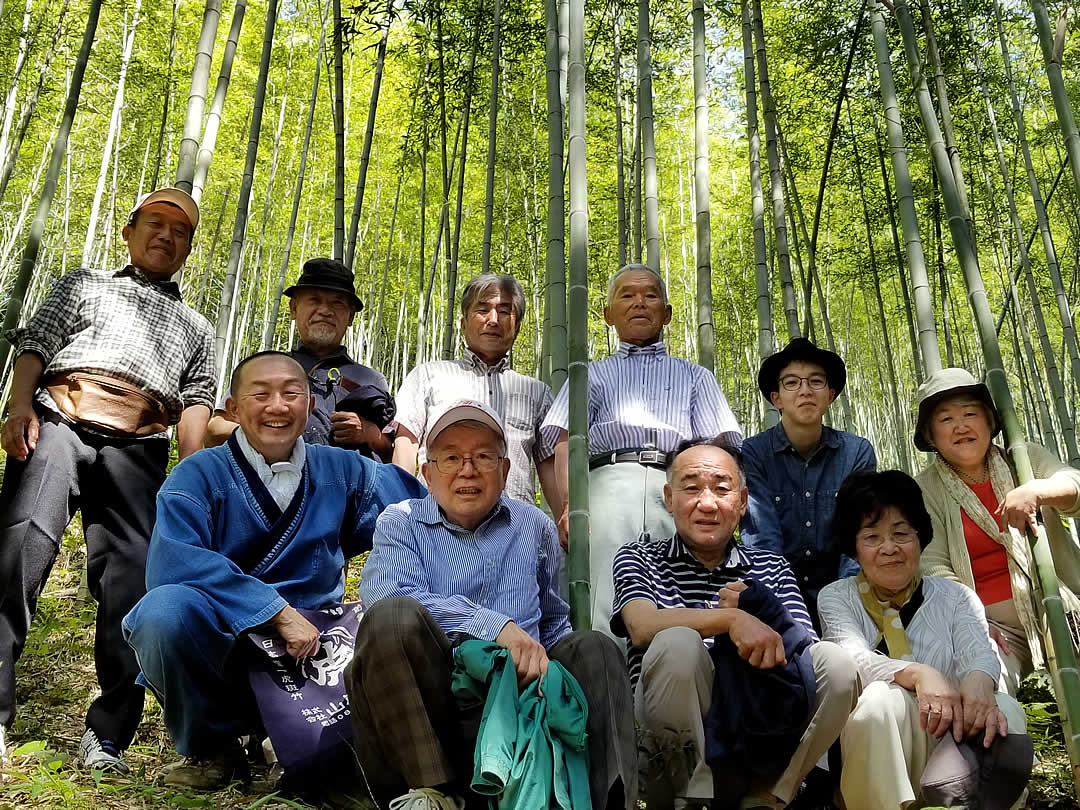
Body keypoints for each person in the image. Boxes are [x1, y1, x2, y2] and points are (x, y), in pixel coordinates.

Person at [121, 351, 424, 789]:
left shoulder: (340, 468)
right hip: (223, 643)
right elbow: (172, 560)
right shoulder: (198, 474)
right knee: (162, 613)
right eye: (260, 394)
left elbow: (413, 509)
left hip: (309, 656)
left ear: (310, 406)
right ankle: (212, 749)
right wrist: (274, 611)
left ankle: (290, 744)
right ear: (233, 408)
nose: (277, 406)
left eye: (291, 393)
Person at [0, 187, 215, 771]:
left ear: (190, 247)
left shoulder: (196, 325)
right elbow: (36, 346)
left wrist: (193, 476)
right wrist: (18, 405)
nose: (166, 236)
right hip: (57, 425)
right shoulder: (83, 283)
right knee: (19, 549)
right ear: (129, 230)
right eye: (156, 223)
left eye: (181, 231)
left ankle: (109, 735)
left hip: (140, 447)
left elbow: (194, 406)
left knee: (131, 584)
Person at [347, 399, 637, 810]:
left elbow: (554, 621)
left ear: (504, 471)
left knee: (594, 648)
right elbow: (388, 596)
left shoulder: (533, 525)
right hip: (431, 714)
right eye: (451, 458)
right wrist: (493, 625)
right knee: (392, 617)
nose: (468, 470)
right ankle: (432, 795)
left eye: (483, 456)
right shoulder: (401, 520)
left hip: (517, 707)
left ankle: (606, 800)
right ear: (427, 474)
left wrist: (553, 674)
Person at [612, 437, 858, 809]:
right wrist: (731, 619)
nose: (707, 503)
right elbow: (642, 625)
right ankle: (694, 799)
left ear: (742, 502)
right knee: (677, 643)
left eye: (722, 489)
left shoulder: (770, 566)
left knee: (836, 665)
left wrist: (760, 611)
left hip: (758, 727)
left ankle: (772, 795)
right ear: (668, 498)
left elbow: (803, 649)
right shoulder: (640, 557)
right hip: (671, 743)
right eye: (691, 488)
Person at [541, 264, 741, 636]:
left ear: (666, 312)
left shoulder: (695, 375)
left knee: (681, 591)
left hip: (681, 487)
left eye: (650, 295)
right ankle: (605, 688)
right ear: (608, 314)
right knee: (600, 592)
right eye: (627, 295)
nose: (639, 303)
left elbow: (719, 448)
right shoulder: (589, 373)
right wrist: (569, 506)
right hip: (605, 485)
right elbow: (565, 441)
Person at [819, 469, 1032, 810]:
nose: (889, 548)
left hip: (953, 747)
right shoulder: (837, 597)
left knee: (1004, 706)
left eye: (901, 533)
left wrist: (980, 678)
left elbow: (978, 652)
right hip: (880, 749)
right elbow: (852, 658)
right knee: (878, 700)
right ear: (854, 548)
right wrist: (919, 673)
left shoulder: (956, 596)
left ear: (920, 538)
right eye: (872, 537)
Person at [912, 367, 1080, 696]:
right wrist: (970, 623)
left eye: (970, 413)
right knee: (984, 690)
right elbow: (932, 566)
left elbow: (1074, 482)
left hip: (1058, 605)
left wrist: (1037, 491)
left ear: (990, 422)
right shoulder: (924, 488)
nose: (960, 426)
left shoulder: (1023, 457)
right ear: (930, 436)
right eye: (945, 419)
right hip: (990, 627)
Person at [392, 274, 560, 510]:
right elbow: (405, 445)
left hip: (514, 528)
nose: (493, 320)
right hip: (437, 523)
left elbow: (549, 465)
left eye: (504, 311)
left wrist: (565, 517)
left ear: (518, 326)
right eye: (482, 310)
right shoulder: (428, 376)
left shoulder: (537, 393)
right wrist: (401, 514)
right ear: (463, 323)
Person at [205, 257, 395, 461]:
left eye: (337, 303)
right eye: (314, 300)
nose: (324, 310)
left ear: (350, 318)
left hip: (347, 489)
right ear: (294, 309)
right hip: (268, 487)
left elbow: (395, 451)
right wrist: (274, 431)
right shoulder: (265, 368)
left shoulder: (371, 380)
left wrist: (368, 433)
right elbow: (215, 430)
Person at [741, 337, 876, 622]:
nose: (805, 391)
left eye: (816, 381)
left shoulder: (856, 452)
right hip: (775, 593)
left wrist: (844, 604)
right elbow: (763, 541)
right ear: (776, 397)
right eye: (792, 382)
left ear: (830, 394)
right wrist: (785, 611)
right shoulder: (754, 453)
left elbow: (861, 534)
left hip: (846, 593)